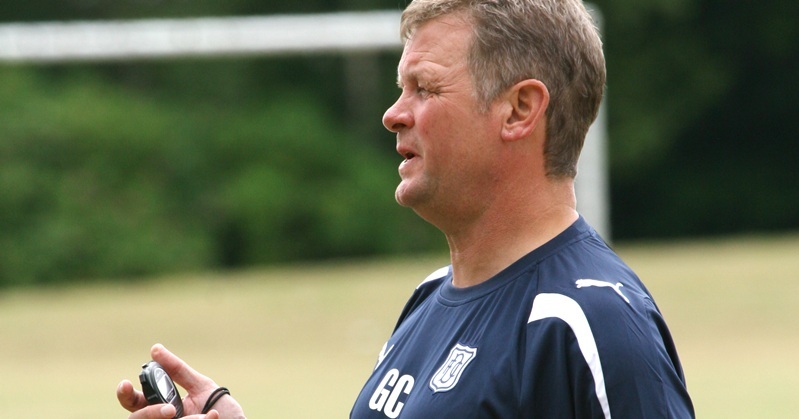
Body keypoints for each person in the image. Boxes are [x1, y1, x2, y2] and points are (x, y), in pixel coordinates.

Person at [117, 0, 695, 417]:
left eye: (425, 87)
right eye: (400, 88)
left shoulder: (587, 322)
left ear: (520, 110)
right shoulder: (427, 301)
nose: (394, 114)